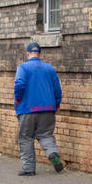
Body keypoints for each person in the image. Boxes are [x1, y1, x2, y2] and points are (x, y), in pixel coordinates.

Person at [14, 42, 64, 176]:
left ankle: (29, 169)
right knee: (46, 134)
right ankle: (52, 153)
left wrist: (18, 100)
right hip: (48, 108)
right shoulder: (49, 68)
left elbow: (19, 85)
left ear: (27, 53)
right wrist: (56, 104)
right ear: (40, 54)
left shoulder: (23, 67)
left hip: (28, 109)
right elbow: (57, 89)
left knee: (25, 138)